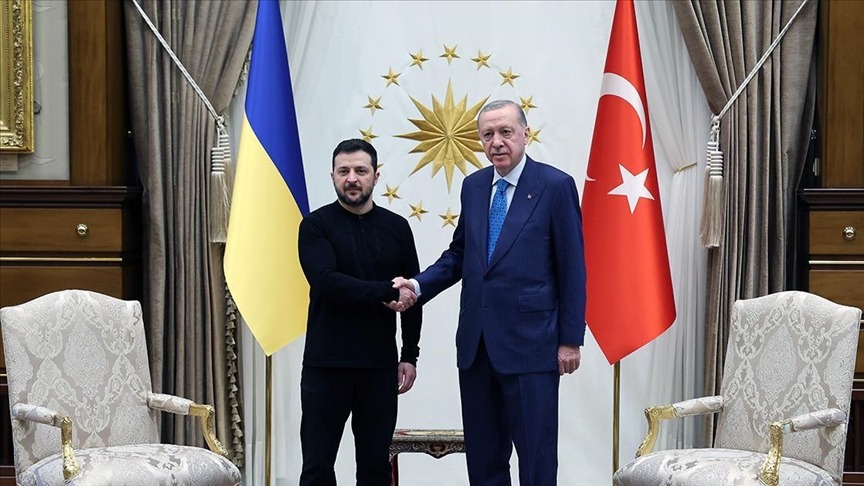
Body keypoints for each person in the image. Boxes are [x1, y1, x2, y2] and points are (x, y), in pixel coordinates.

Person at [394, 100, 586, 485]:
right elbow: (459, 255)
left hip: (532, 348)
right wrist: (417, 285)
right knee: (484, 462)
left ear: (525, 134)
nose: (496, 142)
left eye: (505, 132)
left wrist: (570, 340)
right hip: (476, 347)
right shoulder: (474, 187)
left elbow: (572, 267)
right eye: (487, 135)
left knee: (536, 461)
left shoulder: (554, 186)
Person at [297, 138, 422, 486]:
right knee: (317, 467)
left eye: (360, 171)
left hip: (379, 368)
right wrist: (386, 291)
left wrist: (409, 355)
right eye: (344, 171)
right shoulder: (316, 225)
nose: (352, 178)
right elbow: (326, 282)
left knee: (375, 468)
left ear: (376, 176)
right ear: (332, 177)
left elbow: (412, 293)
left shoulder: (397, 227)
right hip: (326, 366)